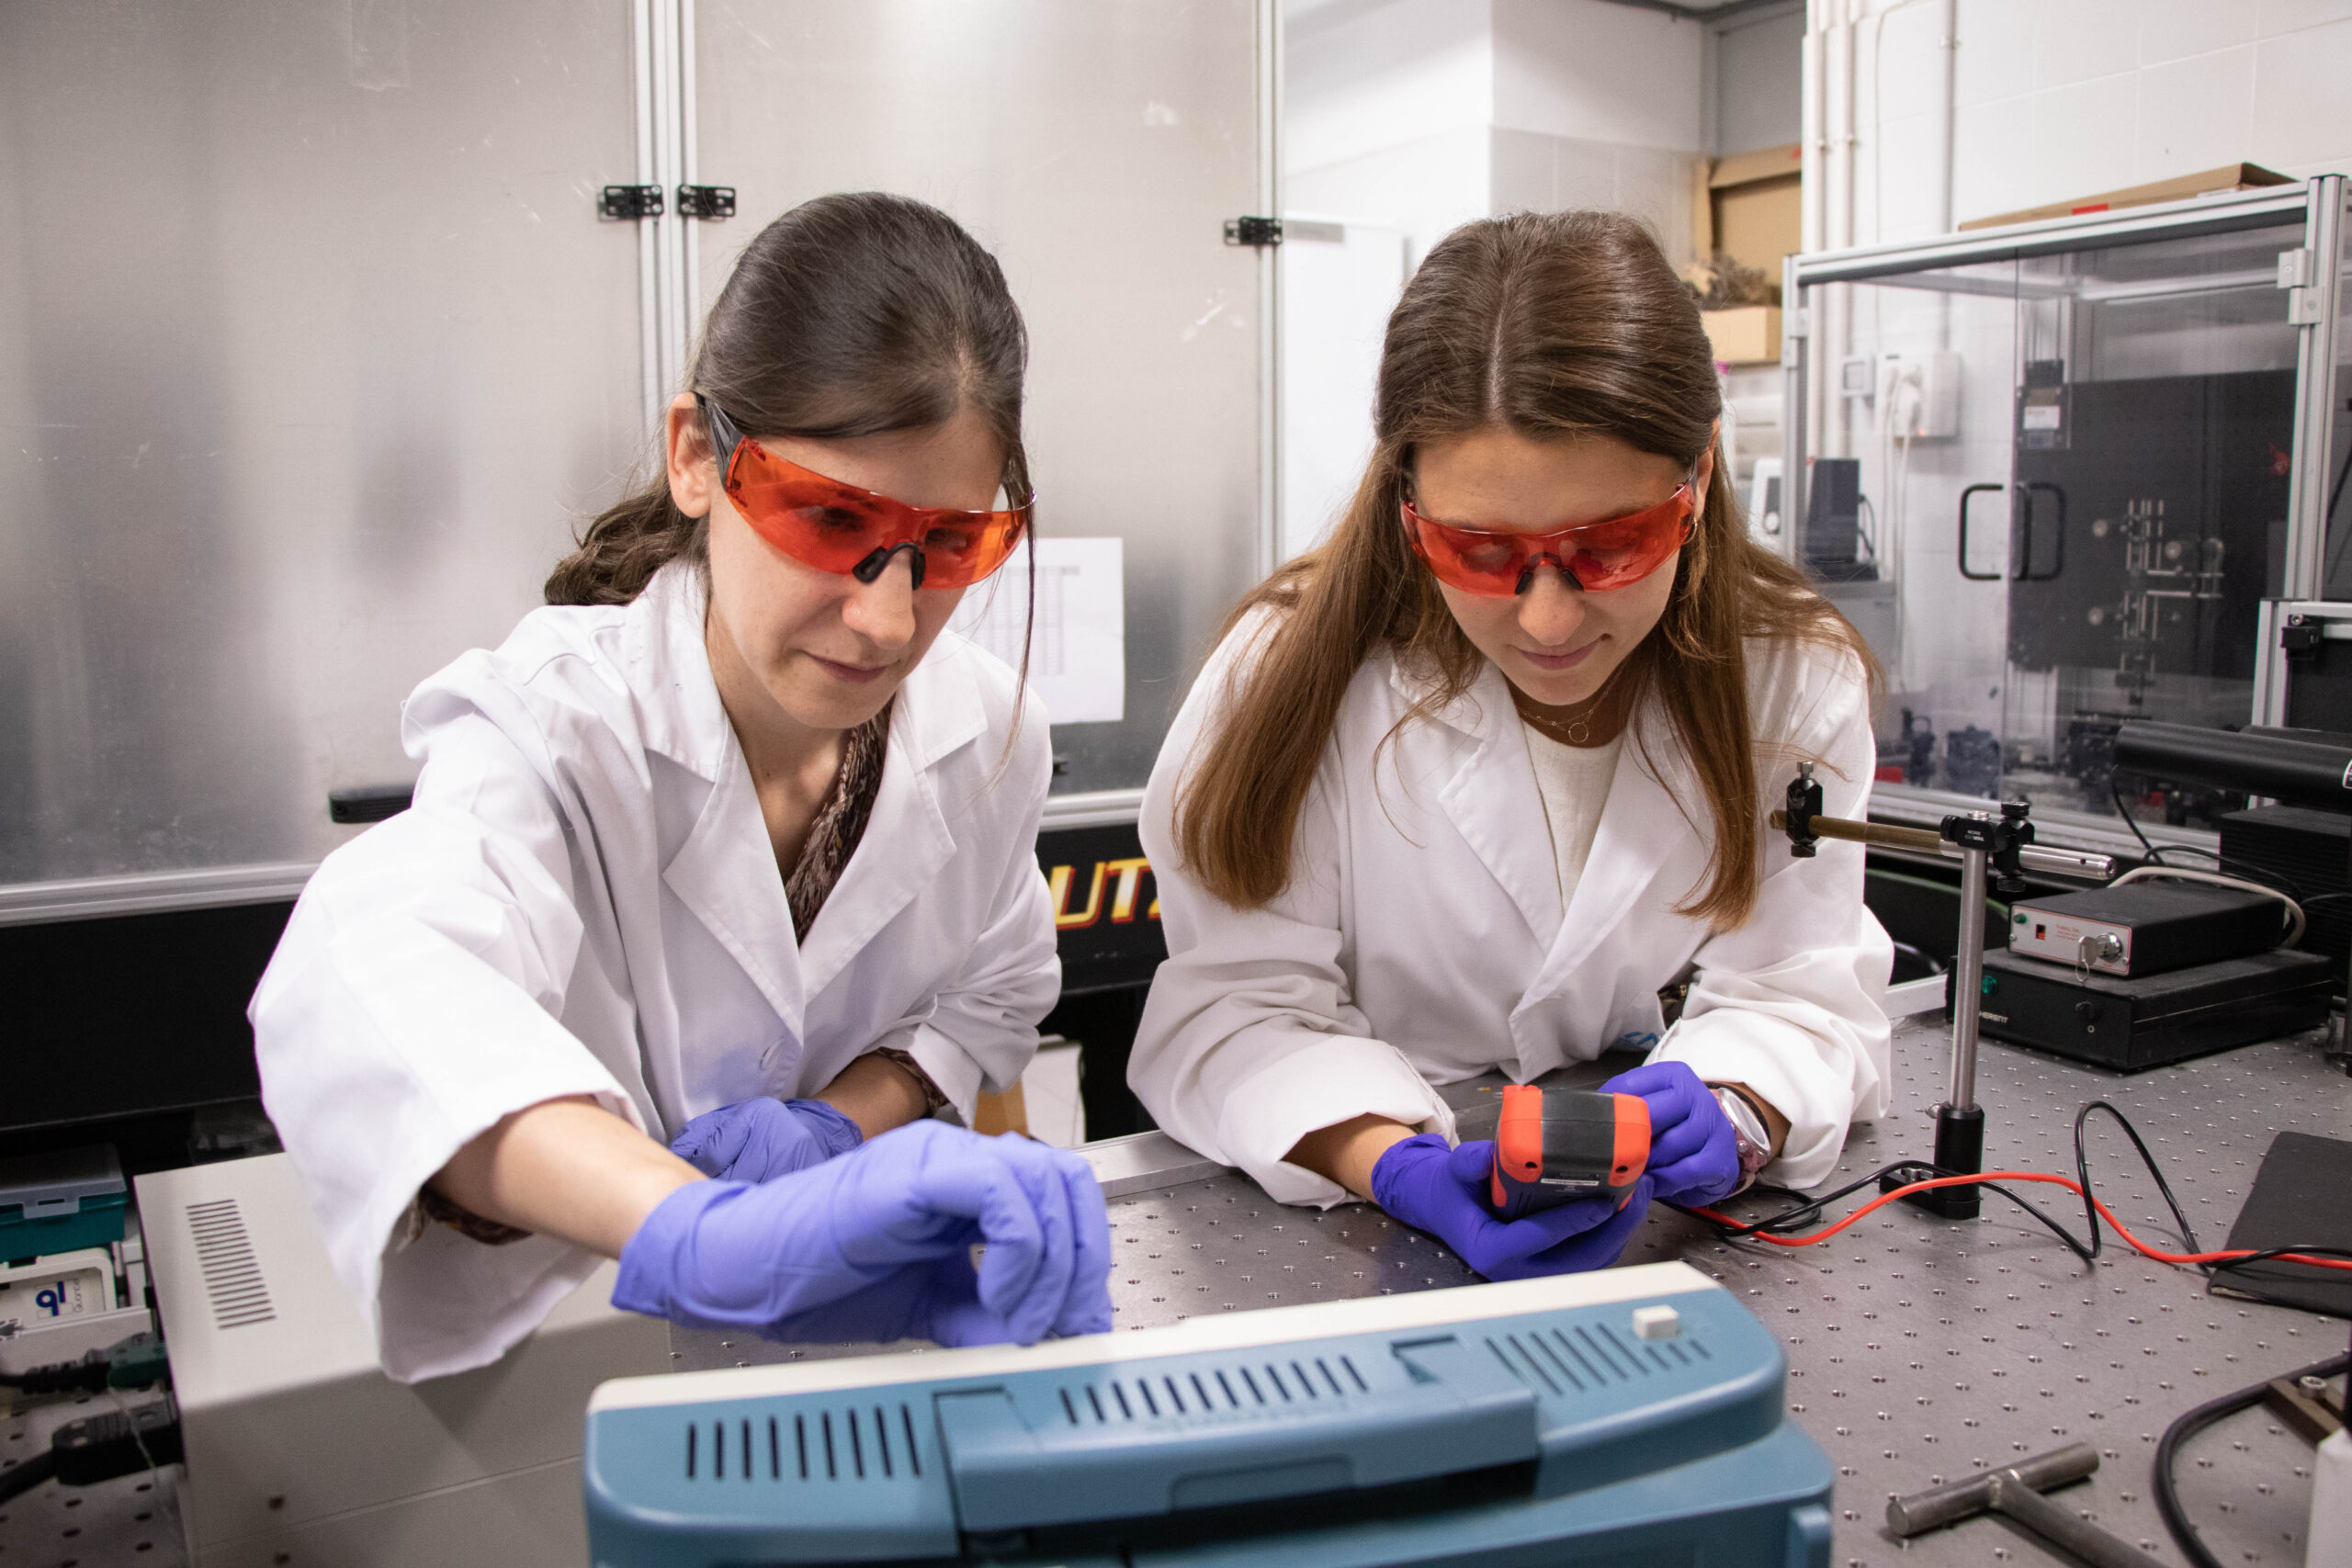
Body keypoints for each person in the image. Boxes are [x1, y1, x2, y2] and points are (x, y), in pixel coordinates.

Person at [252, 193, 1111, 1382]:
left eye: (952, 546)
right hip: (578, 1349)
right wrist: (697, 1229)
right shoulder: (557, 723)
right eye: (830, 518)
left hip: (864, 1323)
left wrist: (835, 1127)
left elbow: (992, 994)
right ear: (699, 457)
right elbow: (378, 978)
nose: (888, 615)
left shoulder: (986, 729)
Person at [1129, 209, 1891, 1280]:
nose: (1546, 619)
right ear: (1408, 503)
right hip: (1346, 1238)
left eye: (1610, 547)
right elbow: (1235, 1005)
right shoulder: (1288, 672)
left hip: (1664, 1258)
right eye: (1478, 550)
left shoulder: (1790, 677)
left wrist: (1736, 1107)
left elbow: (1801, 991)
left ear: (1699, 481)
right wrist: (1389, 1162)